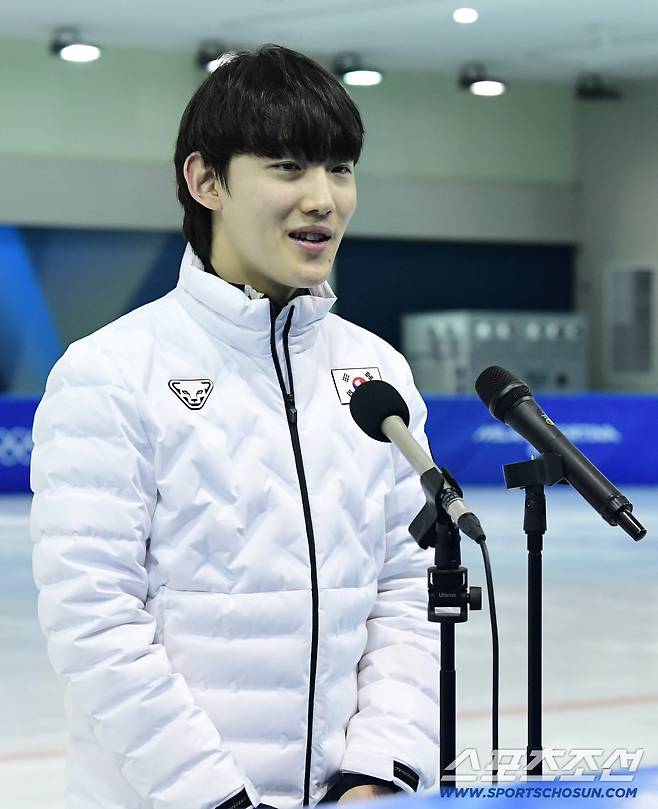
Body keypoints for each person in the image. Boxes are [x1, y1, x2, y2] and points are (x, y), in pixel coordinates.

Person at [30, 43, 439, 809]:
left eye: (340, 168)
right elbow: (94, 619)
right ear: (205, 181)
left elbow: (408, 588)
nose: (323, 198)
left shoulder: (375, 371)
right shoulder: (112, 371)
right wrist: (220, 799)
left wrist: (378, 771)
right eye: (288, 167)